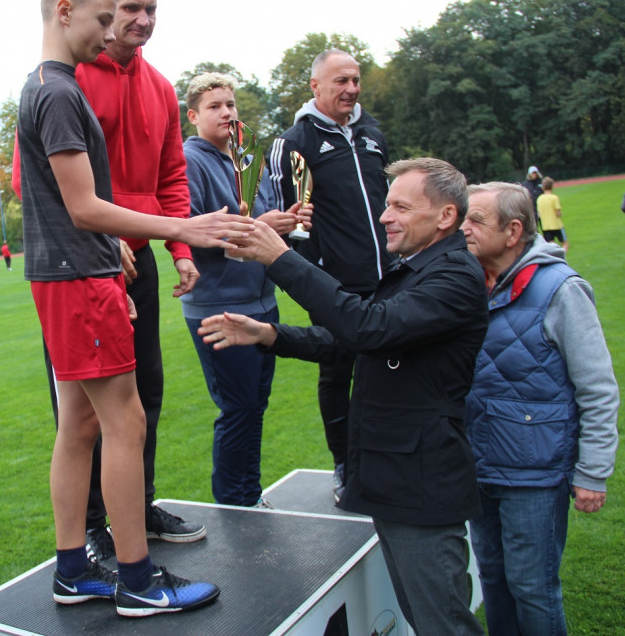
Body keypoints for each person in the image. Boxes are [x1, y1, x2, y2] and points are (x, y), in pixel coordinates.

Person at [18, 0, 250, 616]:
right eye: (101, 20)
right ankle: (139, 580)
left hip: (69, 277)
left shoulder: (42, 86)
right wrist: (184, 228)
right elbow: (86, 207)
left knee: (79, 424)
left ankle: (70, 570)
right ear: (64, 12)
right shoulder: (61, 92)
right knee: (126, 421)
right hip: (82, 277)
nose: (111, 32)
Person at [199, 158, 487, 635]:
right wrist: (270, 335)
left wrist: (280, 259)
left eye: (399, 206)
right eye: (386, 203)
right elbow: (358, 340)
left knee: (444, 625)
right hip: (396, 476)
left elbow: (367, 327)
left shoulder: (452, 276)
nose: (384, 216)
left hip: (421, 481)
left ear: (446, 217)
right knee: (424, 619)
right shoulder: (420, 269)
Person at [44, 0, 208, 559]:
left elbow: (171, 175)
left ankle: (134, 509)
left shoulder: (162, 87)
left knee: (147, 399)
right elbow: (35, 182)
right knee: (84, 415)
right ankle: (90, 529)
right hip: (83, 269)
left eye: (150, 10)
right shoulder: (65, 81)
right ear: (102, 8)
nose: (141, 20)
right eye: (130, 9)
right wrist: (99, 236)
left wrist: (182, 247)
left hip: (137, 265)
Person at [461, 182, 619, 635]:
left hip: (536, 473)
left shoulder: (561, 289)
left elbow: (598, 388)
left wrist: (592, 472)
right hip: (478, 467)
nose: (462, 228)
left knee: (533, 587)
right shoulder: (467, 282)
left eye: (475, 220)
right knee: (491, 577)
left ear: (513, 231)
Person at [264, 49, 394, 502]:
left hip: (389, 278)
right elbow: (287, 224)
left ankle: (386, 458)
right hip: (333, 284)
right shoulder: (293, 143)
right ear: (315, 86)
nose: (352, 89)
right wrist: (316, 278)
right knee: (337, 372)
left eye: (356, 80)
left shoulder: (371, 133)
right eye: (341, 81)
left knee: (392, 371)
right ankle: (345, 465)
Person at [180, 73, 304, 507]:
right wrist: (258, 229)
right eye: (215, 106)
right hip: (218, 303)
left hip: (261, 300)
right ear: (193, 115)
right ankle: (235, 503)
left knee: (255, 406)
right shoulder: (188, 162)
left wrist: (285, 219)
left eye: (231, 105)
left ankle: (248, 497)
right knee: (238, 408)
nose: (227, 113)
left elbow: (263, 219)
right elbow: (189, 232)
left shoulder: (247, 160)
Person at [537, 176, 569, 252]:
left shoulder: (539, 199)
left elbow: (539, 214)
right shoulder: (554, 198)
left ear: (543, 187)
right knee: (565, 243)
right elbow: (558, 213)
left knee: (551, 245)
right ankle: (562, 257)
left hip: (546, 226)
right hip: (556, 225)